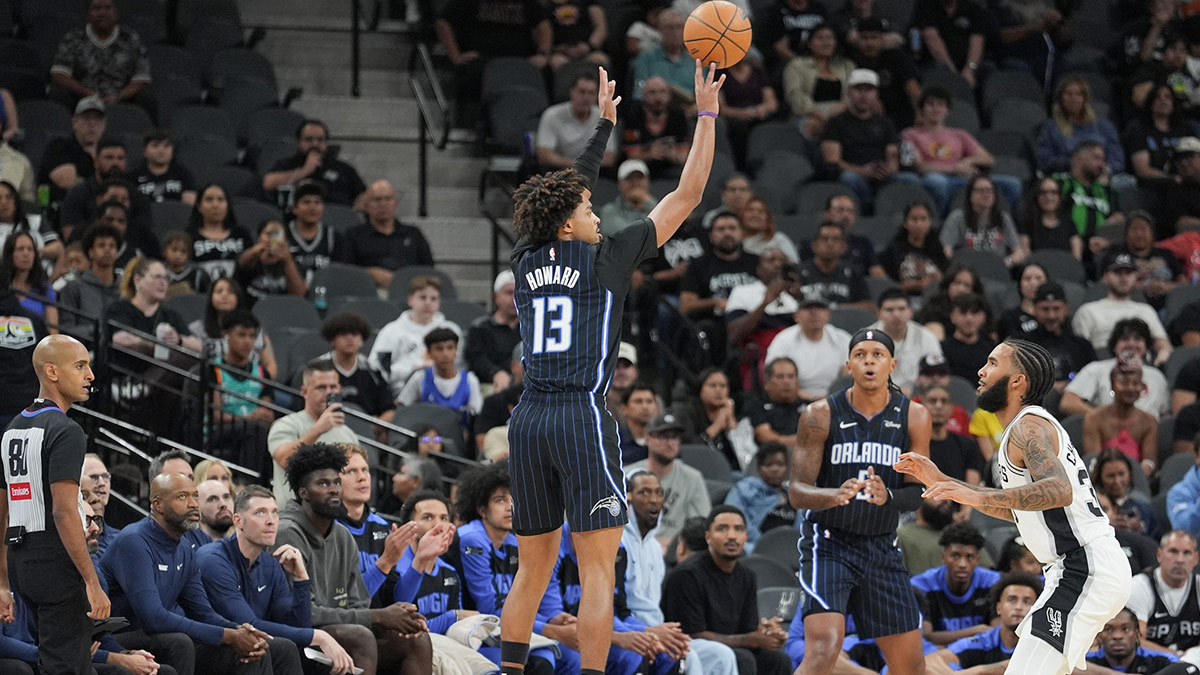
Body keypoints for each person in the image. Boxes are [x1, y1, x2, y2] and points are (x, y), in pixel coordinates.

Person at [500, 62, 723, 675]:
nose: (599, 214)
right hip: (579, 414)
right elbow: (690, 193)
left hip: (529, 420)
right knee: (599, 568)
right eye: (589, 209)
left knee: (532, 568)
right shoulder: (608, 258)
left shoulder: (524, 258)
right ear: (571, 222)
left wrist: (603, 128)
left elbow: (568, 188)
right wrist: (705, 115)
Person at [896, 338, 1131, 674]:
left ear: (1018, 381)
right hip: (1076, 569)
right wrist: (949, 484)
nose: (981, 370)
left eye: (992, 363)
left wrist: (973, 496)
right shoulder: (1021, 430)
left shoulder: (1028, 427)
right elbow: (1024, 509)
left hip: (1084, 566)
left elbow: (1058, 490)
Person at [789, 327, 931, 675]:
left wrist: (889, 496)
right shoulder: (818, 414)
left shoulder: (914, 416)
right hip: (829, 544)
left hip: (882, 545)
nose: (869, 361)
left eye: (877, 355)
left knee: (910, 666)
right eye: (860, 355)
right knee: (823, 648)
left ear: (892, 364)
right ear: (848, 365)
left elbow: (918, 494)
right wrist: (832, 495)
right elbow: (797, 492)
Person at [100, 472, 294, 675]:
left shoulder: (184, 548)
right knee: (179, 642)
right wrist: (227, 635)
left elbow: (202, 612)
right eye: (182, 497)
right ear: (158, 505)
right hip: (117, 641)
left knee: (265, 648)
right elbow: (153, 618)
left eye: (195, 496)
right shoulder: (135, 541)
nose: (193, 504)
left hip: (159, 638)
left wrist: (240, 631)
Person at [0, 335, 109, 674]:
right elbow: (63, 512)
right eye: (80, 366)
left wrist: (3, 581)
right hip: (55, 563)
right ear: (51, 372)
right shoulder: (66, 430)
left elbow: (3, 511)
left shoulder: (12, 428)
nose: (90, 375)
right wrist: (92, 583)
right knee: (69, 668)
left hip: (21, 563)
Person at [274, 443, 433, 675]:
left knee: (415, 638)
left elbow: (358, 604)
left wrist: (398, 617)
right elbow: (301, 614)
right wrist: (379, 616)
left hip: (341, 634)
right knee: (360, 636)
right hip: (297, 640)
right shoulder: (287, 532)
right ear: (303, 493)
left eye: (336, 483)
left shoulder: (342, 535)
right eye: (323, 483)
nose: (333, 490)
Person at [197, 485, 357, 674]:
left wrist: (301, 579)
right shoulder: (213, 559)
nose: (271, 521)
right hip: (208, 649)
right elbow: (249, 625)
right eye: (261, 513)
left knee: (287, 647)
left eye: (274, 513)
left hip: (251, 648)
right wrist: (319, 636)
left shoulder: (270, 564)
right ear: (238, 521)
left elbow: (296, 625)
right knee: (276, 647)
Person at [454, 462, 580, 673]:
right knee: (535, 659)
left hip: (501, 626)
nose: (509, 506)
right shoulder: (472, 538)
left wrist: (552, 619)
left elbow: (520, 602)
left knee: (568, 658)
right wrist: (552, 630)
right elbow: (489, 608)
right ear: (482, 510)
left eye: (514, 499)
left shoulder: (512, 542)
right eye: (500, 500)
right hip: (473, 629)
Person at [661, 505, 793, 675]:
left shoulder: (747, 577)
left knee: (778, 661)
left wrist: (767, 634)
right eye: (722, 529)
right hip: (689, 649)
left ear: (745, 537)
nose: (731, 536)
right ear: (708, 536)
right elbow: (691, 635)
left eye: (738, 529)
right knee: (743, 658)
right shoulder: (686, 575)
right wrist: (750, 639)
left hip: (732, 647)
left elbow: (747, 630)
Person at [902, 85, 1022, 215]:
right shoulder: (909, 134)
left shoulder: (960, 134)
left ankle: (1008, 226)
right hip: (934, 178)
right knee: (936, 182)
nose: (935, 109)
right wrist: (954, 168)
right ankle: (942, 223)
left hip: (963, 179)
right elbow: (918, 167)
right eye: (930, 104)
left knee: (1013, 184)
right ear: (921, 110)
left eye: (940, 105)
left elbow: (989, 159)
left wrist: (967, 162)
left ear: (947, 110)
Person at [267, 359, 359, 503]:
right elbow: (285, 460)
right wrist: (318, 429)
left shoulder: (347, 433)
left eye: (333, 387)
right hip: (293, 516)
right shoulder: (285, 425)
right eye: (321, 387)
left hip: (335, 516)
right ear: (304, 391)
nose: (328, 393)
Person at [337, 445, 412, 604]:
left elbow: (395, 597)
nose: (362, 477)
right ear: (334, 481)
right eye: (351, 471)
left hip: (382, 623)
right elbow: (344, 602)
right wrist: (386, 561)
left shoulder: (382, 526)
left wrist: (422, 562)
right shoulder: (328, 529)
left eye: (365, 470)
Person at [820, 69, 905, 208]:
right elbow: (832, 162)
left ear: (876, 94)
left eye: (869, 90)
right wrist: (862, 171)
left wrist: (889, 170)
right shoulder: (836, 123)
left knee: (909, 179)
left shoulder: (885, 123)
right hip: (854, 175)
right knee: (849, 178)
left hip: (881, 177)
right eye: (858, 90)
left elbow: (893, 155)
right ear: (849, 93)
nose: (863, 95)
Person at [626, 411, 711, 548]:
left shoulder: (692, 478)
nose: (669, 443)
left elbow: (700, 528)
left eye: (674, 437)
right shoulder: (628, 474)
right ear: (648, 438)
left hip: (676, 551)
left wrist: (669, 546)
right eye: (663, 436)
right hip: (633, 547)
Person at [49, 0, 152, 111]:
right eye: (97, 8)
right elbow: (59, 74)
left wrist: (119, 96)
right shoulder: (74, 37)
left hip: (121, 100)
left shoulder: (130, 38)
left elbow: (141, 78)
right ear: (89, 13)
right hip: (81, 100)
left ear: (116, 14)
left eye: (108, 8)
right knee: (58, 94)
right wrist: (87, 93)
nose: (102, 13)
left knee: (146, 99)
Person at [928, 573, 1045, 670]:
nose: (1019, 607)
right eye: (1012, 600)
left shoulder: (1044, 644)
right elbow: (932, 660)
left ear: (1036, 608)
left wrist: (980, 671)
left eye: (1027, 602)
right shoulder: (984, 642)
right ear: (998, 608)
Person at [369, 275, 463, 396]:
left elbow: (460, 366)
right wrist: (413, 369)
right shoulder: (391, 331)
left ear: (439, 303)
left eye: (434, 299)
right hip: (399, 392)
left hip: (445, 392)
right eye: (422, 297)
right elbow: (377, 369)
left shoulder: (452, 331)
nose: (428, 303)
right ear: (410, 300)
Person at [910, 523, 1001, 646]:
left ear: (978, 560)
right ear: (943, 557)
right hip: (939, 655)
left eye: (969, 557)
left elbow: (997, 633)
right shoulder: (923, 585)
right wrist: (975, 631)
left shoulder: (993, 582)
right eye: (955, 556)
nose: (962, 564)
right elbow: (926, 637)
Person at [1072, 254, 1172, 364]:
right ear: (1106, 277)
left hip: (1141, 368)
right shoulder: (1087, 311)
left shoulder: (1146, 310)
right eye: (1117, 273)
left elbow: (1162, 343)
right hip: (1101, 367)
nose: (1123, 278)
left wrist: (1163, 353)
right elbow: (1080, 353)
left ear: (1135, 277)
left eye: (1128, 273)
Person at [1061, 318, 1169, 419]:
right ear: (1114, 346)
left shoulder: (1158, 377)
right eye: (1125, 339)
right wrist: (1103, 420)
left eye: (1137, 339)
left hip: (1148, 434)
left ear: (1146, 347)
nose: (1131, 344)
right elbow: (1068, 402)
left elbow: (1166, 414)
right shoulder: (1096, 369)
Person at [207, 310, 275, 460]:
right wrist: (248, 418)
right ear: (226, 335)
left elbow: (266, 411)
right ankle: (248, 481)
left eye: (252, 336)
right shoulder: (213, 369)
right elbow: (217, 416)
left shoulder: (262, 372)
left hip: (254, 430)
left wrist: (265, 415)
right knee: (254, 429)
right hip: (221, 431)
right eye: (241, 335)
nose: (248, 341)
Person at [764, 291, 851, 400]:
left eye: (820, 308)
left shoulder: (842, 338)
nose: (814, 313)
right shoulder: (783, 340)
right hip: (794, 400)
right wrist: (807, 398)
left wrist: (832, 398)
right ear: (796, 316)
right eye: (808, 308)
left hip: (836, 400)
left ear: (828, 315)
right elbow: (773, 375)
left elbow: (849, 376)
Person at [262, 119, 368, 208]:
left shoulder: (343, 168)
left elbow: (364, 195)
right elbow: (268, 183)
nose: (315, 144)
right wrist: (304, 171)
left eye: (320, 140)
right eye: (309, 139)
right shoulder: (287, 164)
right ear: (299, 142)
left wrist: (352, 212)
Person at [318, 312, 395, 433]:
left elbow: (389, 410)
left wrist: (371, 430)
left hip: (367, 435)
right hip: (325, 431)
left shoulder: (373, 372)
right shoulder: (318, 370)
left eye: (355, 334)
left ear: (362, 340)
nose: (350, 338)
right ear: (332, 340)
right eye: (343, 334)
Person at [1127, 530, 1200, 656]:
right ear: (1159, 554)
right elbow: (1135, 640)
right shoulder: (1140, 586)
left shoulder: (1198, 586)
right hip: (1149, 664)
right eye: (1173, 551)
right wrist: (1177, 656)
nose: (1180, 560)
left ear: (1195, 559)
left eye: (1187, 553)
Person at [189, 277, 278, 379]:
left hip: (254, 384)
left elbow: (270, 364)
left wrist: (263, 388)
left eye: (231, 292)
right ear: (211, 298)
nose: (225, 295)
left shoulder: (254, 328)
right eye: (219, 291)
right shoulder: (197, 329)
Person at [1037, 75, 1126, 175]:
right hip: (1067, 177)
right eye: (1068, 94)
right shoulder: (1051, 127)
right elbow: (1045, 161)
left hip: (1103, 176)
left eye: (1078, 94)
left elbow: (1117, 161)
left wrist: (1104, 172)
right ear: (1060, 97)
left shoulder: (1105, 127)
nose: (1073, 98)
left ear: (1085, 99)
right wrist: (1078, 165)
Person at [1083, 358, 1158, 473]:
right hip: (1101, 480)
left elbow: (1149, 461)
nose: (1131, 388)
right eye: (1124, 383)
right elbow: (1093, 461)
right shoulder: (1093, 419)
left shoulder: (1149, 421)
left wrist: (1135, 478)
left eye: (1136, 384)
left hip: (1137, 481)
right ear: (1112, 385)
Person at [782, 24, 854, 138]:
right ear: (810, 43)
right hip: (807, 114)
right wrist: (819, 115)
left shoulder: (847, 65)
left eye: (830, 38)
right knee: (812, 126)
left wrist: (836, 112)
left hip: (841, 111)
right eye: (820, 38)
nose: (826, 43)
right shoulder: (796, 65)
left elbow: (852, 93)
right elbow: (795, 95)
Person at [940, 174, 1028, 267]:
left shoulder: (1003, 217)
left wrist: (1005, 263)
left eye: (990, 191)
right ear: (970, 195)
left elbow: (1018, 252)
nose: (986, 195)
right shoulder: (957, 217)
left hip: (997, 269)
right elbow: (946, 250)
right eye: (981, 191)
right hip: (968, 269)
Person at [536, 71, 618, 171]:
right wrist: (578, 166)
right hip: (558, 172)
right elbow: (544, 155)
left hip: (593, 174)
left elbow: (609, 158)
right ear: (572, 92)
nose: (586, 98)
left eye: (591, 93)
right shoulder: (552, 115)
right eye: (582, 92)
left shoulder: (604, 116)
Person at [723, 442, 797, 551]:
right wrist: (763, 544)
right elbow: (734, 517)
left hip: (789, 549)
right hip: (753, 546)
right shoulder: (744, 489)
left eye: (780, 464)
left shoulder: (794, 496)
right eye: (768, 465)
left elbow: (800, 529)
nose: (775, 469)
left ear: (787, 467)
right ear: (759, 468)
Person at [37, 96, 105, 215]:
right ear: (75, 122)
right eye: (86, 118)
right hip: (58, 210)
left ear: (104, 125)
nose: (92, 124)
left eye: (97, 119)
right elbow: (66, 181)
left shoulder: (108, 152)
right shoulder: (59, 146)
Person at [868, 288, 944, 393]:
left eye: (902, 309)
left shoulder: (926, 337)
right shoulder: (865, 339)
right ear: (879, 314)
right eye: (889, 310)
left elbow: (937, 374)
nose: (896, 315)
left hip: (918, 397)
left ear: (910, 312)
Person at [1109, 211, 1186, 311]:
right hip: (1131, 306)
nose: (1139, 234)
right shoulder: (1118, 255)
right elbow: (1107, 282)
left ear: (1152, 233)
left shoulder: (1166, 254)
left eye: (1143, 229)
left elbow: (1184, 284)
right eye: (1134, 229)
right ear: (1126, 234)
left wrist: (1166, 287)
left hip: (1168, 307)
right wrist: (1144, 287)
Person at [1085, 607, 1199, 674]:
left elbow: (1189, 669)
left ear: (1137, 633)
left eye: (1126, 629)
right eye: (1108, 630)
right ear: (1098, 634)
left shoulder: (1163, 660)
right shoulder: (1084, 662)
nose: (1117, 636)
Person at [621, 76, 690, 178]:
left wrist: (671, 154)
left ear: (669, 95)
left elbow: (684, 157)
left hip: (672, 171)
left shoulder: (678, 116)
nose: (658, 98)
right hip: (641, 170)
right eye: (652, 92)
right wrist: (650, 154)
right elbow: (632, 156)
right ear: (643, 96)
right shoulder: (633, 115)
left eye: (662, 92)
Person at [794, 221, 871, 309]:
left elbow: (868, 306)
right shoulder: (798, 272)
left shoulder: (853, 272)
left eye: (836, 239)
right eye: (824, 238)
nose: (830, 244)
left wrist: (836, 308)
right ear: (814, 246)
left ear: (843, 247)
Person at [879, 201, 948, 301]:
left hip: (934, 299)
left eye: (923, 219)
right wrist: (914, 286)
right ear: (905, 223)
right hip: (903, 298)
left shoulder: (937, 247)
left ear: (930, 223)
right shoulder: (894, 249)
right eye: (914, 219)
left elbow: (945, 277)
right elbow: (887, 283)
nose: (919, 224)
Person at [465, 270, 521, 392]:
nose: (515, 298)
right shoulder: (480, 328)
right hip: (490, 386)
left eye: (518, 292)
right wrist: (495, 373)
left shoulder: (530, 328)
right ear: (496, 297)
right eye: (509, 293)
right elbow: (476, 360)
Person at [919, 382, 983, 486]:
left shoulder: (968, 446)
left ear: (952, 407)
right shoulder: (911, 443)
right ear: (921, 405)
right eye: (932, 401)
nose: (939, 406)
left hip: (961, 500)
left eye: (944, 401)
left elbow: (973, 489)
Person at [914, 0, 989, 88]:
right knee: (940, 69)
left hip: (968, 64)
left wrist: (969, 70)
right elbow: (931, 38)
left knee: (987, 68)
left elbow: (977, 42)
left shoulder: (973, 9)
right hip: (940, 63)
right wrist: (952, 73)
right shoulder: (926, 7)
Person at [186, 184, 253, 282]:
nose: (215, 205)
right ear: (199, 206)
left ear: (227, 205)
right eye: (209, 200)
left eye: (220, 200)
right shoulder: (189, 236)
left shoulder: (241, 234)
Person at [235, 219, 308, 303]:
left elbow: (299, 295)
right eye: (268, 234)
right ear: (259, 237)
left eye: (277, 234)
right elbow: (242, 264)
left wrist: (288, 261)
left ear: (285, 240)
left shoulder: (294, 262)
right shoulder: (251, 258)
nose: (272, 238)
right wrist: (255, 251)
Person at [284, 180, 338, 285]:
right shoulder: (284, 234)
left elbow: (338, 274)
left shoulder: (334, 236)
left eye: (317, 202)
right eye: (306, 202)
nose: (312, 207)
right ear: (294, 208)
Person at [1, 232, 57, 330]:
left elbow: (53, 330)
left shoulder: (44, 289)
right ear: (10, 254)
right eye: (20, 249)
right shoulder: (2, 288)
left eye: (30, 249)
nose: (26, 253)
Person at [632, 10, 694, 99]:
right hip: (658, 108)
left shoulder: (695, 61)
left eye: (679, 27)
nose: (675, 32)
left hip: (692, 110)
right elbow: (639, 94)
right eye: (670, 27)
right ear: (660, 30)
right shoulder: (646, 58)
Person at [1020, 177, 1082, 261]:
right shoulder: (1028, 223)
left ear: (1060, 196)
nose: (1049, 197)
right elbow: (1026, 255)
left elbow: (1077, 259)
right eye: (1043, 193)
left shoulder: (1069, 224)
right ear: (1037, 196)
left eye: (1054, 192)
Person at [896, 498, 961, 576]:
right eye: (938, 494)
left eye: (948, 495)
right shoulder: (903, 535)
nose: (946, 500)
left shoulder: (959, 535)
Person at [746, 358, 803, 445]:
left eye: (791, 376)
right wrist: (802, 443)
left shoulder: (809, 406)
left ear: (797, 382)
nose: (786, 382)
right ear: (767, 383)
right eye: (780, 377)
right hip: (772, 454)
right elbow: (764, 436)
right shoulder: (757, 406)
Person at [941, 293, 996, 383]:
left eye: (974, 313)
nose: (969, 319)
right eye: (963, 313)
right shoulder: (942, 349)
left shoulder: (992, 350)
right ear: (952, 317)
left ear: (983, 317)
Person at [131, 129, 197, 204]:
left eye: (166, 146)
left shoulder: (184, 175)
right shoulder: (133, 177)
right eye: (155, 145)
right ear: (144, 151)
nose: (161, 150)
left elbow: (189, 207)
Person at [599, 159, 658, 237]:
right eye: (629, 179)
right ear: (619, 184)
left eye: (639, 178)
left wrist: (649, 202)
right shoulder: (609, 211)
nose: (635, 183)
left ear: (648, 182)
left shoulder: (655, 207)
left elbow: (665, 228)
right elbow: (621, 235)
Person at [997, 262, 1047, 340]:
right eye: (1027, 278)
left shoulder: (1054, 315)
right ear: (1019, 284)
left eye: (1038, 278)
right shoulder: (1010, 317)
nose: (1033, 283)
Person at [617, 383, 658, 464]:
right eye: (638, 401)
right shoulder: (614, 441)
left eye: (649, 401)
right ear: (624, 409)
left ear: (656, 408)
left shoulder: (665, 440)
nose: (645, 407)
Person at [163, 231, 211, 297]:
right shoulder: (159, 272)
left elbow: (209, 296)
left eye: (183, 252)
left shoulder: (198, 274)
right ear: (164, 251)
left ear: (188, 255)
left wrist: (194, 295)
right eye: (174, 250)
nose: (178, 255)